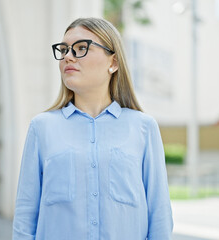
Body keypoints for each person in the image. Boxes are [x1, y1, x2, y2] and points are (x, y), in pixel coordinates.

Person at [12, 17, 173, 240]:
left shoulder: (143, 128)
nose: (68, 56)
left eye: (80, 48)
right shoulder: (42, 128)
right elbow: (25, 217)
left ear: (113, 63)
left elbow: (159, 214)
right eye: (64, 50)